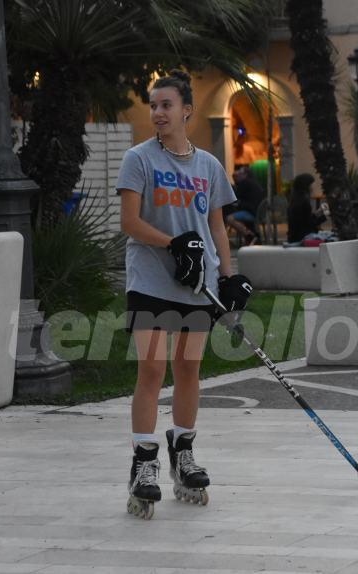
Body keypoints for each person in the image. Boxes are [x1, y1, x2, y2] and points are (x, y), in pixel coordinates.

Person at [116, 69, 252, 519]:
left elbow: (215, 225)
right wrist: (173, 244)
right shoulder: (139, 159)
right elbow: (130, 223)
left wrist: (228, 276)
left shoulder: (208, 166)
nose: (157, 112)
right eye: (153, 105)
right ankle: (143, 464)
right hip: (152, 281)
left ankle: (183, 451)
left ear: (187, 111)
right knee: (152, 369)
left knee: (189, 367)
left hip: (198, 285)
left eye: (166, 105)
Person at [225, 165, 264, 245]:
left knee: (229, 218)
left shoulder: (245, 183)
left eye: (240, 173)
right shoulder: (253, 182)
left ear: (245, 174)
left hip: (251, 212)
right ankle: (249, 237)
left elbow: (235, 197)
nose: (238, 174)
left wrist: (237, 204)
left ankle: (250, 236)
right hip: (257, 212)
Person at [287, 173, 327, 243]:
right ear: (307, 186)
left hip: (294, 237)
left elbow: (304, 219)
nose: (313, 187)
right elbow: (309, 225)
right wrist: (324, 216)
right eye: (312, 184)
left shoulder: (295, 200)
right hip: (301, 238)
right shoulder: (304, 202)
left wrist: (317, 213)